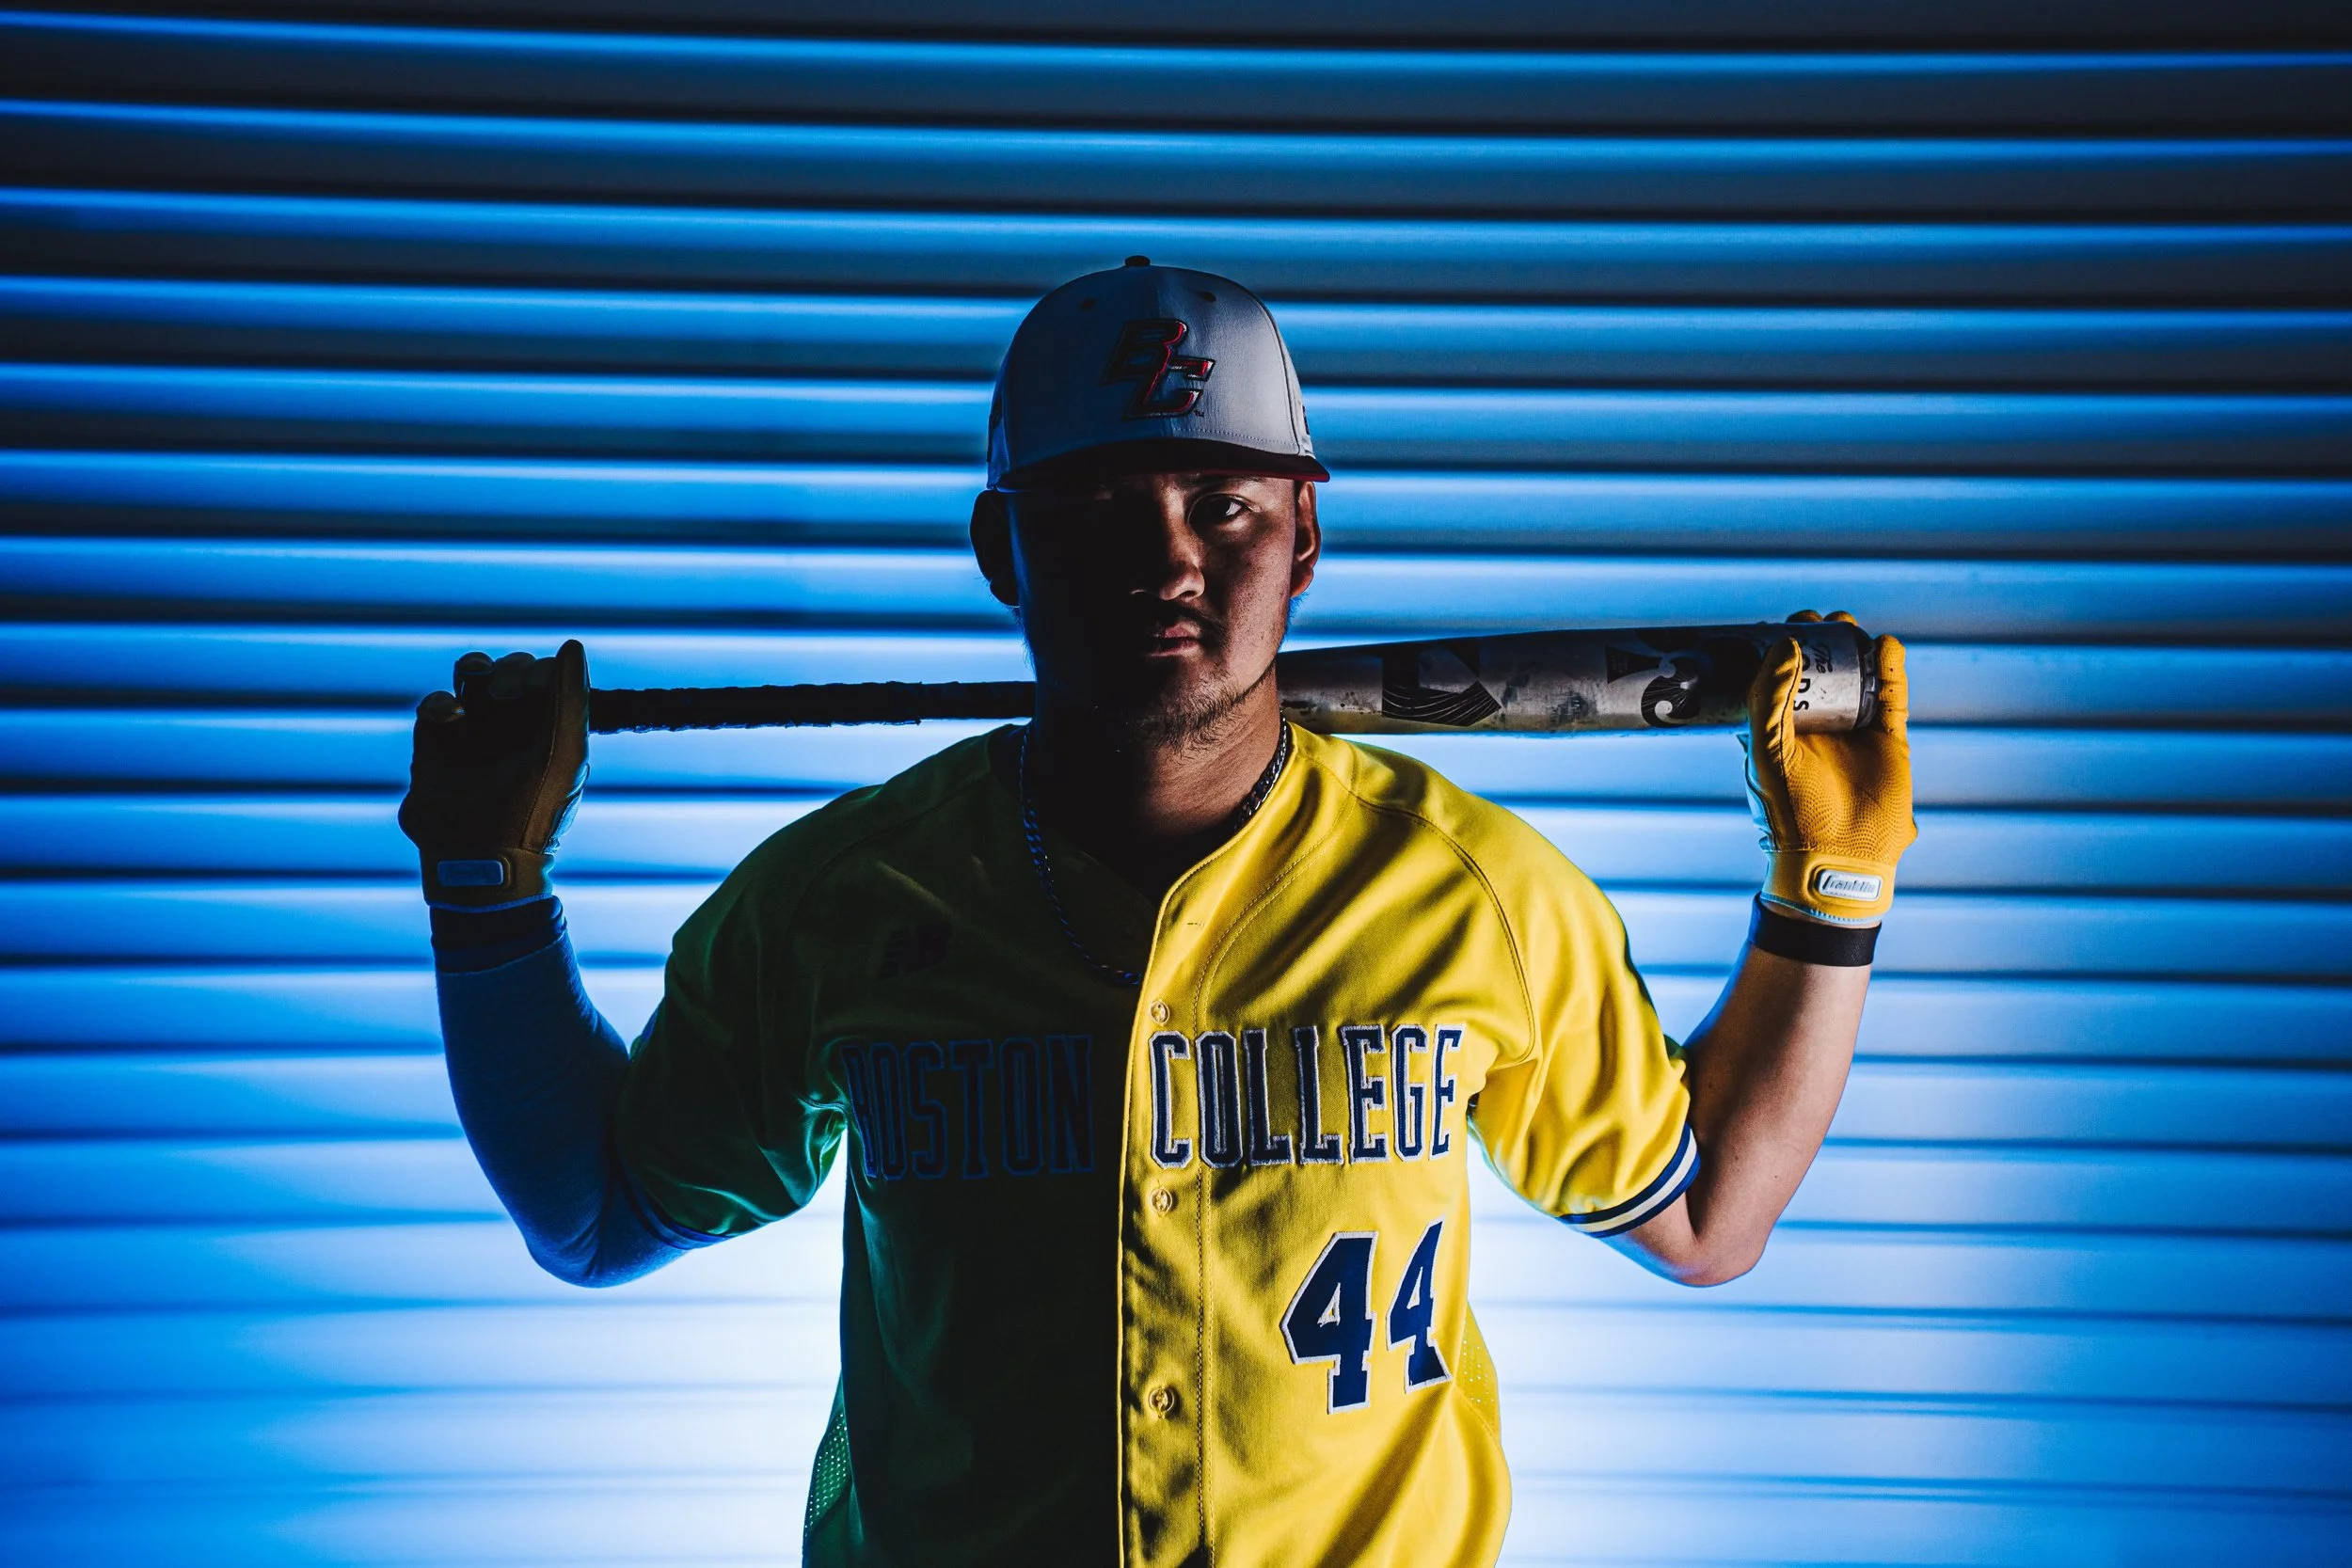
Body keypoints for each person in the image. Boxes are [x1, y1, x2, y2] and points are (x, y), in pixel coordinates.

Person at [399, 258, 1915, 1568]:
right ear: (1001, 548)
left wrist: (1830, 893)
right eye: (1097, 510)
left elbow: (1705, 1215)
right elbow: (596, 1210)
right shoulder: (844, 898)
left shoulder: (1476, 893)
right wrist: (483, 887)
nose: (1170, 557)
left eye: (1225, 505)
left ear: (1305, 534)